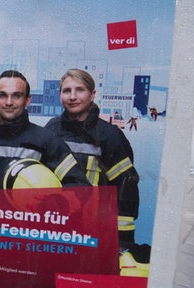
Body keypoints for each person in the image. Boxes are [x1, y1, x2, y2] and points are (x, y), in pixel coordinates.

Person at [44, 68, 140, 250]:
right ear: (60, 95)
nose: (72, 96)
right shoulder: (51, 130)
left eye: (80, 90)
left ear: (92, 94)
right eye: (66, 91)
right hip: (55, 228)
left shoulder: (110, 136)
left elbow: (126, 189)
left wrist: (121, 242)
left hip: (93, 231)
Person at [0, 70, 89, 189]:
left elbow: (78, 188)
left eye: (17, 95)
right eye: (2, 95)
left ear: (27, 100)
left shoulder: (47, 141)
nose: (9, 102)